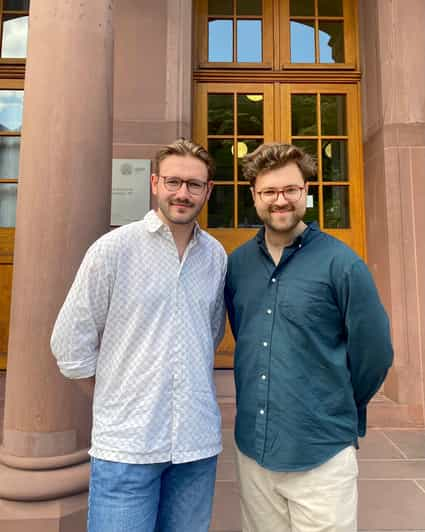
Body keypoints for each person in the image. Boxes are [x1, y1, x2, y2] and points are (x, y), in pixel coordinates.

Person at [51, 139, 227, 532]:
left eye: (194, 184)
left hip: (195, 447)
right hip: (127, 448)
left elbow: (208, 335)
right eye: (173, 181)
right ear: (154, 183)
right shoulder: (114, 250)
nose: (182, 193)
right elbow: (69, 342)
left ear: (208, 191)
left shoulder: (215, 256)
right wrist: (114, 395)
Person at [224, 143, 393, 532]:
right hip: (254, 450)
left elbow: (375, 353)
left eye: (290, 190)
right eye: (269, 191)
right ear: (254, 195)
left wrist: (332, 403)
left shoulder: (342, 263)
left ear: (306, 192)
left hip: (321, 453)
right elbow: (244, 333)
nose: (280, 201)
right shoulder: (237, 265)